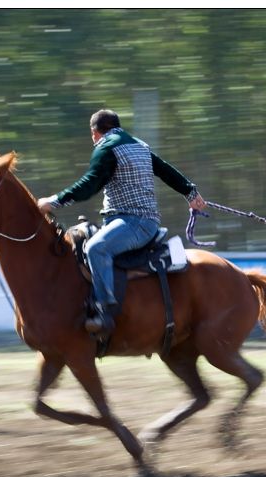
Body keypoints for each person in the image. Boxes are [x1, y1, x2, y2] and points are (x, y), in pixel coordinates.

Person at [37, 109, 206, 335]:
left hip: (134, 224)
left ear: (94, 133)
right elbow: (165, 171)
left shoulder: (106, 148)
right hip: (139, 221)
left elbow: (90, 184)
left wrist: (54, 201)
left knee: (96, 248)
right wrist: (191, 193)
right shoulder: (139, 145)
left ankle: (105, 310)